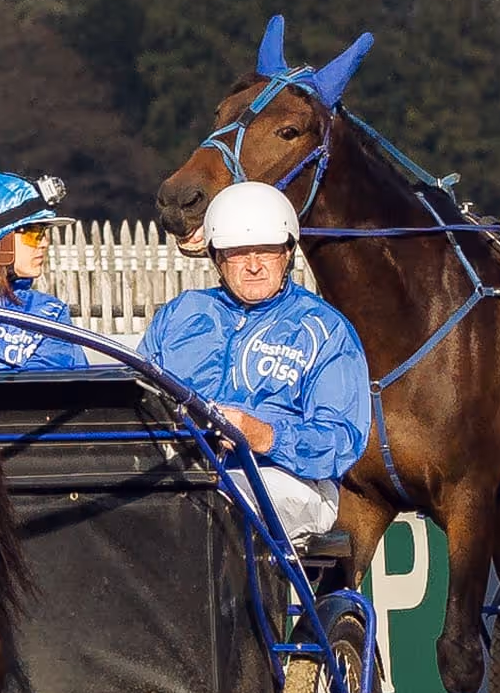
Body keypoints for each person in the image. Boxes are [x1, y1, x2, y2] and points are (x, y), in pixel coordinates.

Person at [142, 181, 374, 547]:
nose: (253, 266)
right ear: (217, 257)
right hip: (184, 474)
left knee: (213, 506)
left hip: (288, 480)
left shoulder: (324, 329)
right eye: (238, 252)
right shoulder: (179, 316)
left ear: (287, 253)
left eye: (266, 251)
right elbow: (139, 400)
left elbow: (342, 441)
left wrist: (264, 435)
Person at [0, 172, 101, 372]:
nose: (45, 243)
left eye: (44, 233)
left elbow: (48, 394)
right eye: (34, 233)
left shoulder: (48, 313)